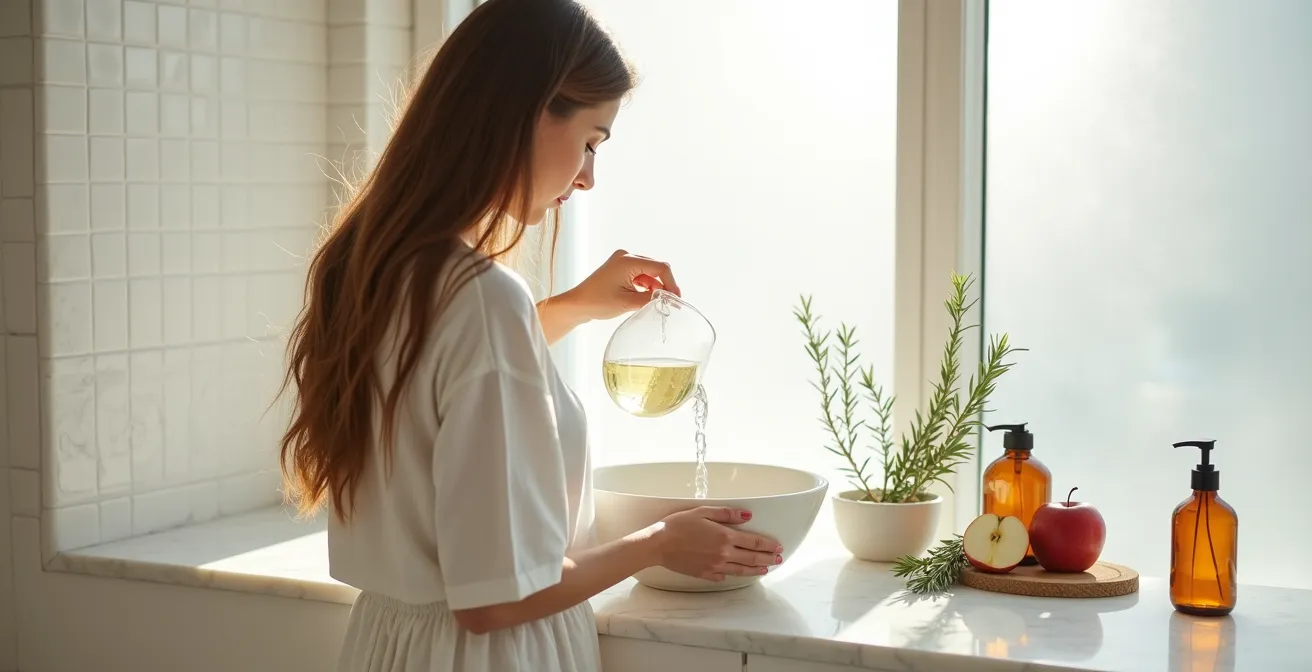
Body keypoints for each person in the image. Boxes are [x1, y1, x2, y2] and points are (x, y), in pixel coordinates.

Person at [276, 0, 782, 670]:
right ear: (529, 110)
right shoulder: (482, 299)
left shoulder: (373, 268)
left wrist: (567, 308)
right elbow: (493, 602)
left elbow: (430, 384)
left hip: (389, 646)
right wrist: (660, 542)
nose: (588, 177)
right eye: (592, 141)